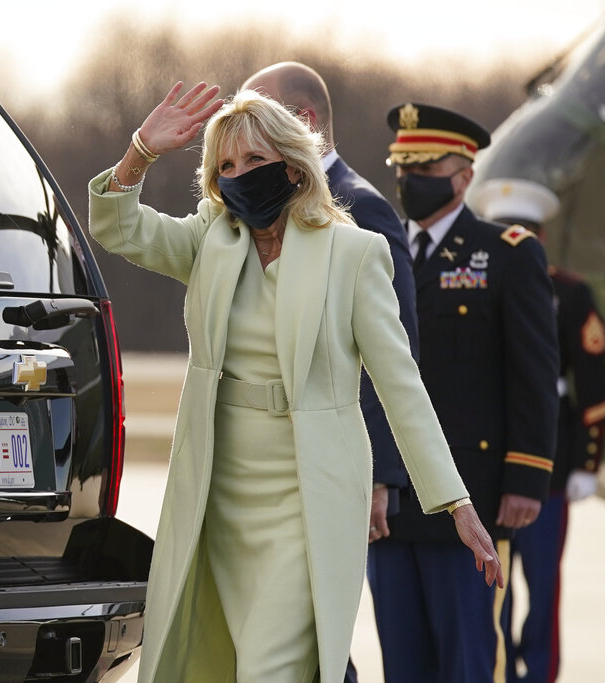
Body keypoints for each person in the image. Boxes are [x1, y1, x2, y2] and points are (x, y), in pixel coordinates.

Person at [87, 81, 505, 683]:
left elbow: (400, 385)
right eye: (225, 164)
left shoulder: (354, 253)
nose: (240, 174)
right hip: (218, 490)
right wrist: (141, 152)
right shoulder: (211, 238)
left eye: (255, 160)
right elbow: (121, 230)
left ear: (292, 163)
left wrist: (456, 502)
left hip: (306, 494)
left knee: (273, 668)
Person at [368, 103, 559, 683]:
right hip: (393, 506)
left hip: (468, 500)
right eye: (403, 166)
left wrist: (527, 476)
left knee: (469, 662)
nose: (409, 181)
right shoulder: (375, 252)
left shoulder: (506, 251)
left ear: (464, 175)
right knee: (403, 664)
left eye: (426, 167)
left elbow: (533, 373)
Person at [240, 61, 417, 683]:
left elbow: (390, 357)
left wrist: (380, 478)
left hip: (334, 464)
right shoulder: (265, 206)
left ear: (305, 122)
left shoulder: (361, 211)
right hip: (272, 464)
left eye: (261, 121)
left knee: (312, 631)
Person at [472, 178, 605, 683]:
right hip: (488, 460)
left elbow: (593, 388)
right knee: (492, 583)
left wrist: (587, 465)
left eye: (524, 233)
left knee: (544, 583)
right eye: (506, 231)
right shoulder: (472, 284)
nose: (516, 241)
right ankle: (502, 671)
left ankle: (541, 675)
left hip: (550, 464)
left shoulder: (570, 295)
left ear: (541, 236)